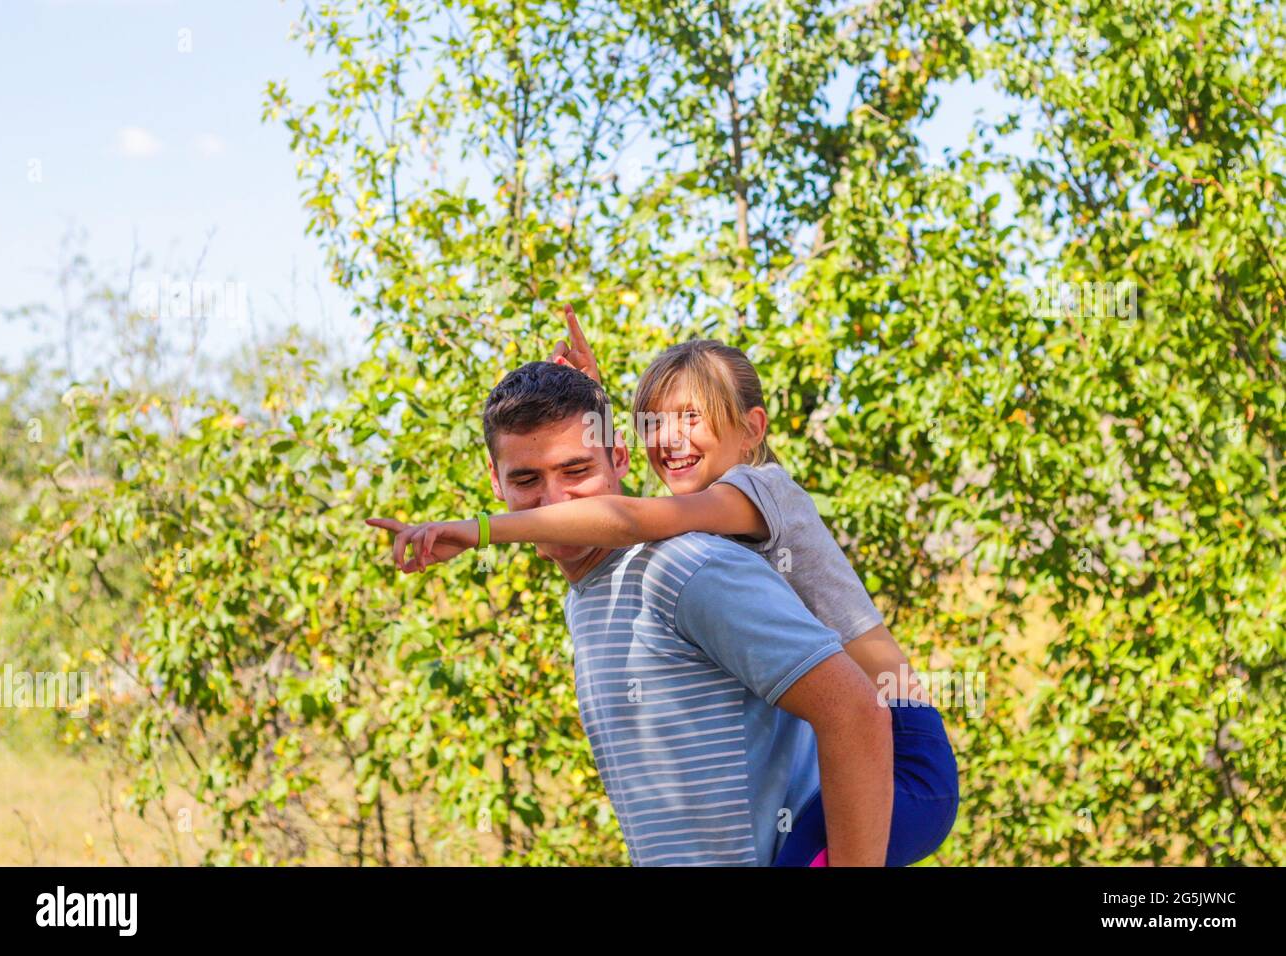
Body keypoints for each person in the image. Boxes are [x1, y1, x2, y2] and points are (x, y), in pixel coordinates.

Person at [371, 307, 959, 866]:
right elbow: (614, 492)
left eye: (577, 468)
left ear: (751, 430)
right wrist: (587, 400)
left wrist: (478, 530)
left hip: (904, 735)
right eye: (658, 423)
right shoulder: (659, 551)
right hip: (887, 715)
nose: (672, 440)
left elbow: (625, 518)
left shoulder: (739, 507)